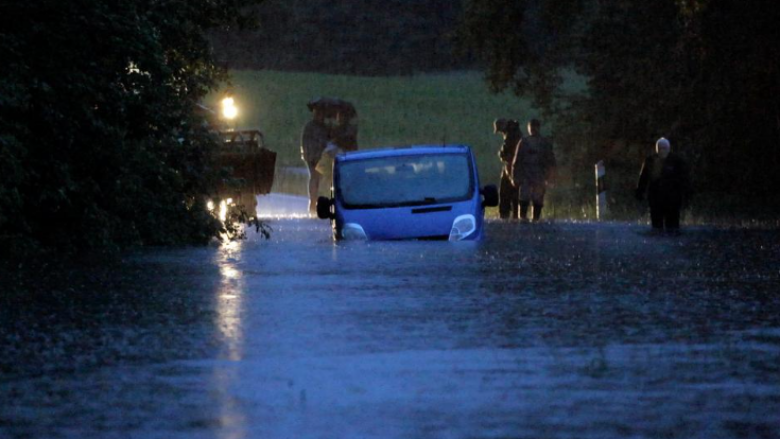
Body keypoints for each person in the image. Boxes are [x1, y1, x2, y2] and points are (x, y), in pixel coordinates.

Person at [635, 137, 690, 232]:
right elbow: (643, 178)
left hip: (673, 199)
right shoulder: (650, 161)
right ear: (657, 149)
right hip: (656, 199)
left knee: (672, 226)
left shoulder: (676, 161)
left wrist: (686, 194)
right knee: (657, 226)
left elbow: (684, 179)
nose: (662, 151)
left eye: (664, 148)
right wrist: (640, 192)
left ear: (668, 149)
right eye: (660, 148)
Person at [511, 119, 556, 222]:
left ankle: (536, 218)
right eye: (531, 127)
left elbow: (550, 160)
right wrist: (515, 176)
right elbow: (517, 160)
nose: (533, 129)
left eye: (534, 127)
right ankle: (522, 218)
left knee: (538, 197)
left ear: (538, 128)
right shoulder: (524, 142)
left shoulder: (544, 143)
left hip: (539, 173)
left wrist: (550, 176)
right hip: (526, 173)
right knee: (524, 196)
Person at [301, 107, 330, 214]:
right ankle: (313, 202)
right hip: (314, 156)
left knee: (317, 179)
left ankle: (315, 202)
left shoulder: (322, 127)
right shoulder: (312, 127)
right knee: (315, 178)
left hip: (320, 156)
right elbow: (305, 142)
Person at [493, 118, 521, 219]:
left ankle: (506, 215)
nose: (501, 133)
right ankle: (515, 215)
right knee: (514, 193)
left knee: (505, 192)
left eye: (500, 130)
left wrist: (502, 154)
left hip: (512, 167)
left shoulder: (511, 135)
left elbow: (508, 153)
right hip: (514, 167)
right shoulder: (514, 132)